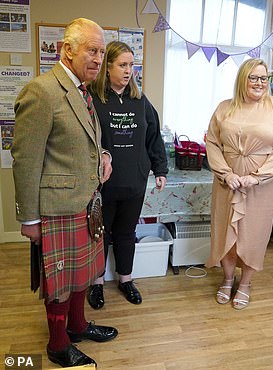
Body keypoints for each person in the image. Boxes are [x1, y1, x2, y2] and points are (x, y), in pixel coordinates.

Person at [11, 18, 118, 368]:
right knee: (59, 281)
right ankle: (58, 345)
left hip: (86, 203)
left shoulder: (82, 91)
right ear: (66, 50)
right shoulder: (41, 91)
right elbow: (26, 159)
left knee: (81, 274)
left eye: (102, 52)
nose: (99, 59)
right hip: (56, 208)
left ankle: (77, 325)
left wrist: (103, 155)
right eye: (92, 50)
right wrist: (28, 218)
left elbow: (81, 142)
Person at [205, 58, 273, 310]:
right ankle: (227, 278)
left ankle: (245, 284)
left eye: (263, 78)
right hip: (227, 184)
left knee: (254, 235)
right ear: (242, 80)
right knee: (226, 234)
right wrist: (225, 173)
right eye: (253, 77)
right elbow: (212, 141)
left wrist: (257, 176)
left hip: (261, 186)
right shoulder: (224, 108)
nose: (259, 83)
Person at [87, 41, 168, 309]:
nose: (128, 71)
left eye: (131, 65)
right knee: (100, 234)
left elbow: (154, 137)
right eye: (122, 65)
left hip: (134, 183)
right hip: (103, 184)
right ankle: (97, 283)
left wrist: (160, 169)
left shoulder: (140, 101)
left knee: (126, 233)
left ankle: (126, 279)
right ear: (107, 67)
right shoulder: (92, 99)